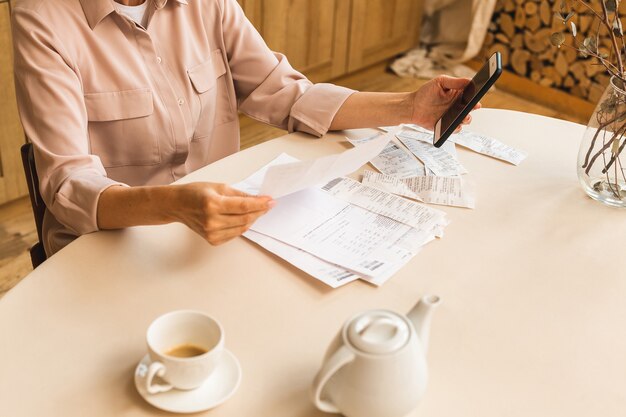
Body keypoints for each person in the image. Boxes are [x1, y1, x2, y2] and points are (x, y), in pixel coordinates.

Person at [12, 0, 478, 256]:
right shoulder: (41, 18)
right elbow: (68, 185)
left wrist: (409, 106)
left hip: (217, 233)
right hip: (109, 247)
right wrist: (172, 204)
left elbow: (284, 92)